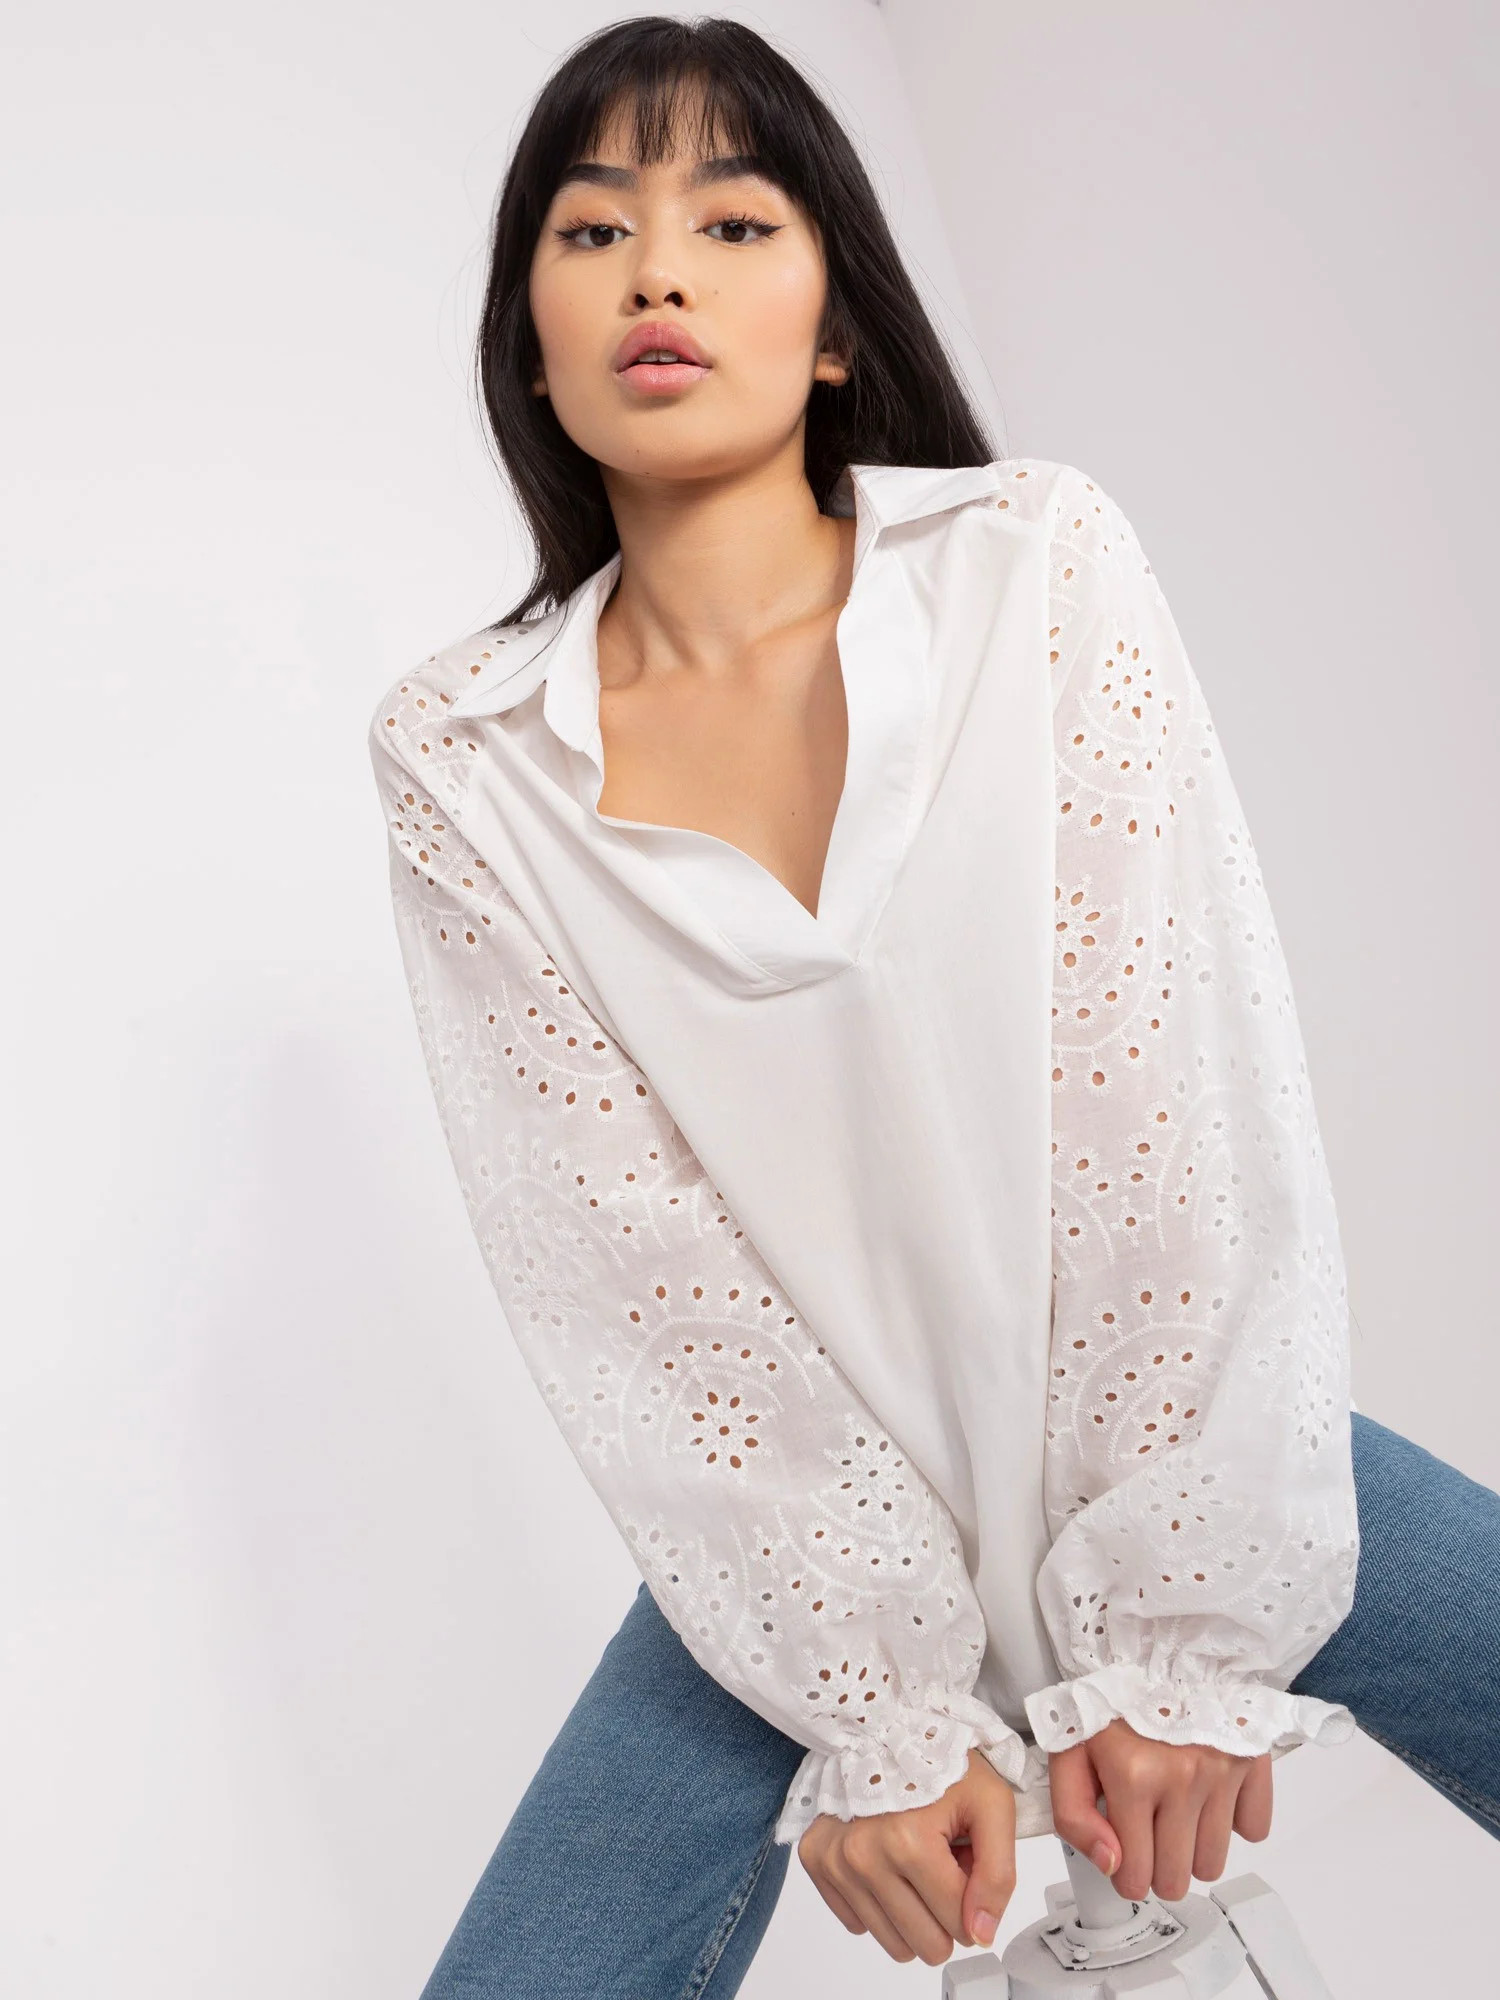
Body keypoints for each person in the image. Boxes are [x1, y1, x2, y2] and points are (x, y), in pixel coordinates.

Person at [366, 16, 1500, 1997]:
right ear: (528, 346)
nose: (655, 272)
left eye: (732, 223)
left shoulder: (1031, 563)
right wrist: (874, 1709)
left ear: (833, 327)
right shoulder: (466, 757)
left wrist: (1177, 1631)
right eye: (592, 230)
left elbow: (1164, 1094)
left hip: (1173, 1448)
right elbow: (635, 1276)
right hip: (798, 1537)